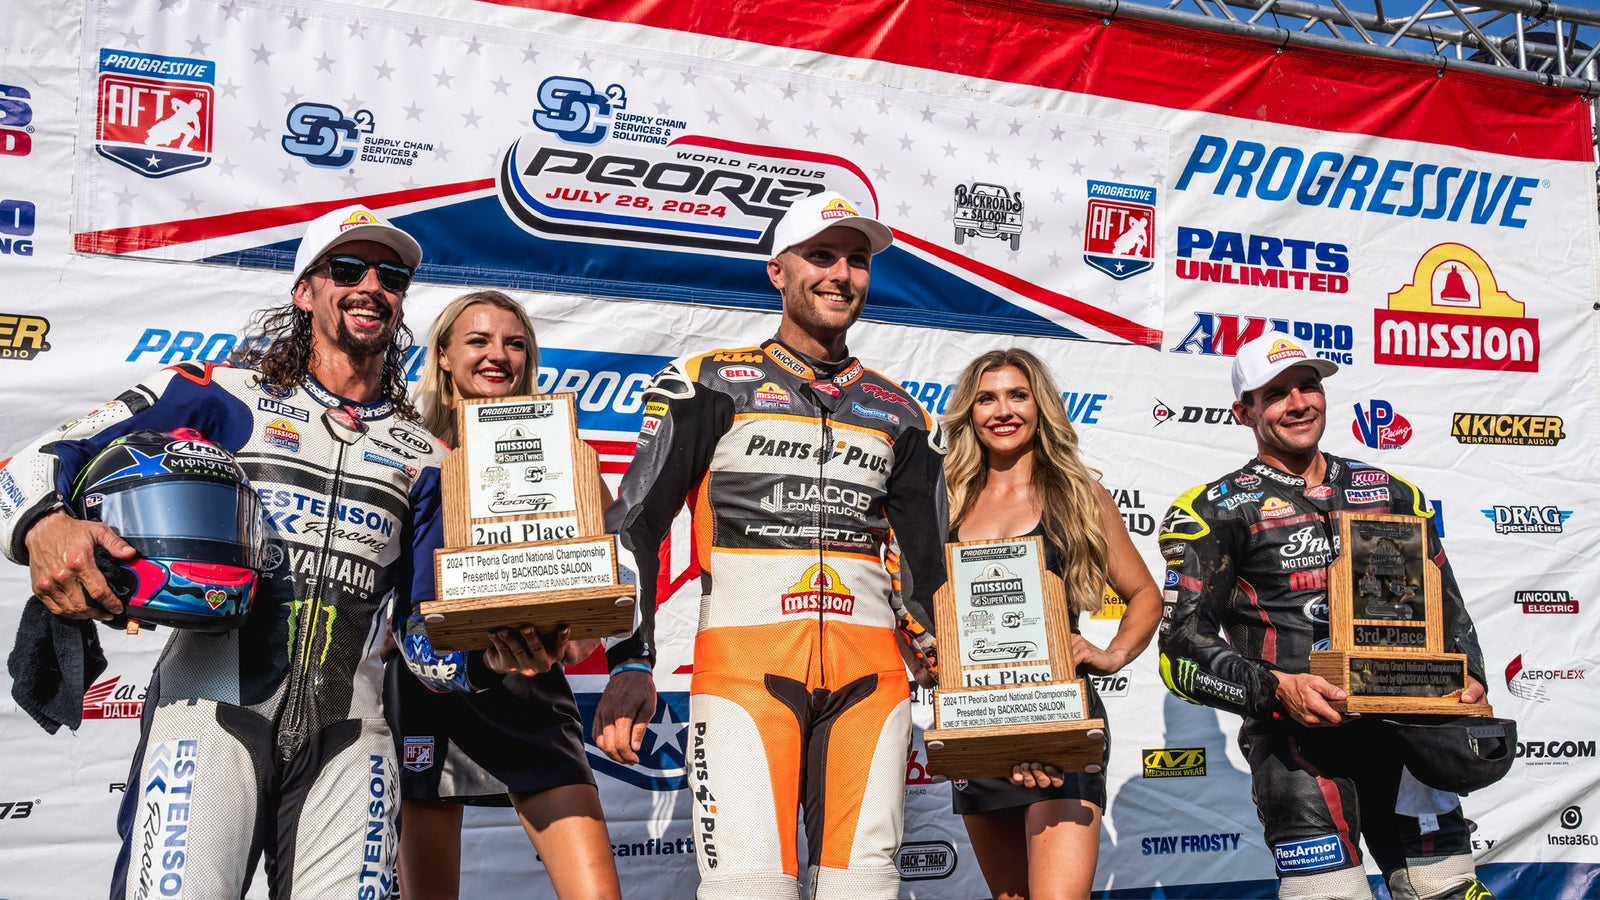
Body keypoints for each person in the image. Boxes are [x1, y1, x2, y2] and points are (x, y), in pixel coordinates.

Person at [0, 205, 444, 897]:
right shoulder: (220, 394)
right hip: (206, 712)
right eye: (348, 268)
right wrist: (46, 527)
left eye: (390, 275)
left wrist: (490, 645)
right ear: (305, 291)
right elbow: (37, 459)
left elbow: (426, 630)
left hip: (352, 734)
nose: (371, 285)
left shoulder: (429, 457)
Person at [593, 191, 948, 899]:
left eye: (856, 260)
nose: (841, 274)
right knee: (749, 889)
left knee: (865, 888)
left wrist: (967, 680)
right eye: (821, 256)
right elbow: (636, 524)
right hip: (744, 675)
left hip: (872, 682)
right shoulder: (709, 383)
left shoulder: (901, 413)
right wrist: (631, 660)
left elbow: (931, 571)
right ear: (778, 272)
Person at [1157, 334, 1492, 900]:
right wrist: (1277, 688)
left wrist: (1472, 675)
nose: (1299, 403)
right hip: (1298, 746)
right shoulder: (1213, 508)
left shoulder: (1390, 491)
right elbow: (1179, 650)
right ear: (1244, 412)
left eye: (1308, 386)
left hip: (1409, 733)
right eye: (1276, 393)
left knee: (1449, 891)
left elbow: (1449, 609)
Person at [387, 291, 621, 899]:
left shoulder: (571, 460)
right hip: (428, 693)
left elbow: (593, 622)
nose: (498, 356)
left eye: (514, 343)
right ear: (443, 355)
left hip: (528, 685)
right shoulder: (404, 453)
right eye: (479, 341)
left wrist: (572, 630)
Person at [942, 348, 1160, 900]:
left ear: (1041, 407)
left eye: (1018, 395)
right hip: (977, 718)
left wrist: (1110, 655)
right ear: (969, 412)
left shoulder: (1079, 495)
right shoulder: (942, 499)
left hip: (1061, 717)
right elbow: (918, 610)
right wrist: (925, 653)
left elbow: (1144, 597)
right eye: (986, 398)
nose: (1002, 410)